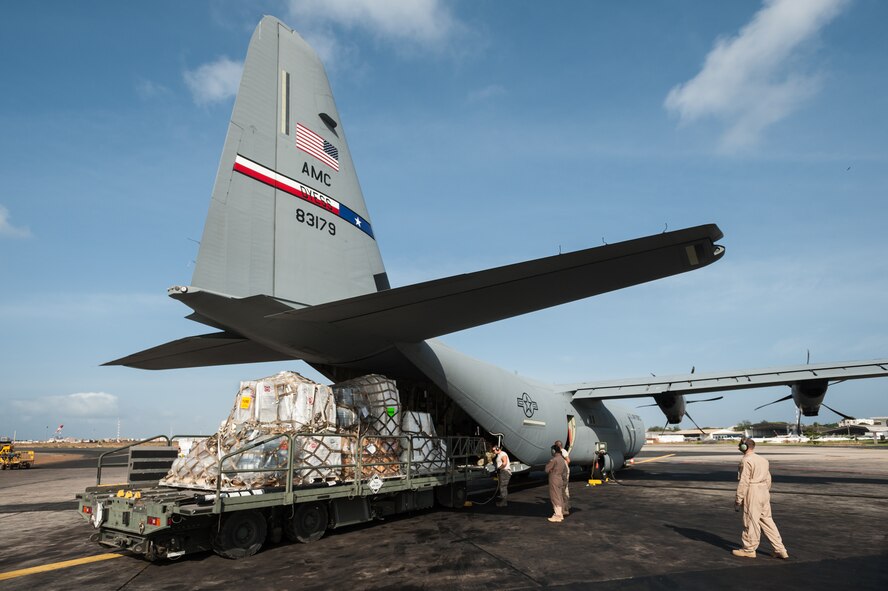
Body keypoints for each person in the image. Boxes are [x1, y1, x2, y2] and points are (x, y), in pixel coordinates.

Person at [733, 438, 789, 559]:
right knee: (767, 520)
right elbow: (768, 478)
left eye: (739, 446)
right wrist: (764, 491)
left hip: (752, 490)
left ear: (744, 447)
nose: (738, 448)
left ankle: (749, 549)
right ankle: (780, 549)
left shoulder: (746, 460)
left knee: (750, 521)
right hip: (764, 491)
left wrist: (738, 499)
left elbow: (744, 482)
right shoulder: (763, 460)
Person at [544, 444, 568, 522]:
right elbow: (565, 471)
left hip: (554, 479)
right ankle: (561, 513)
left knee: (555, 497)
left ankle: (557, 516)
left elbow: (547, 469)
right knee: (560, 496)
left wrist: (551, 470)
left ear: (554, 451)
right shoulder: (562, 459)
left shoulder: (554, 460)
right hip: (560, 479)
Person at [554, 440, 571, 516]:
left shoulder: (562, 451)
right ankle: (564, 507)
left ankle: (565, 509)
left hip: (563, 472)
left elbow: (568, 460)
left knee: (564, 489)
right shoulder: (561, 451)